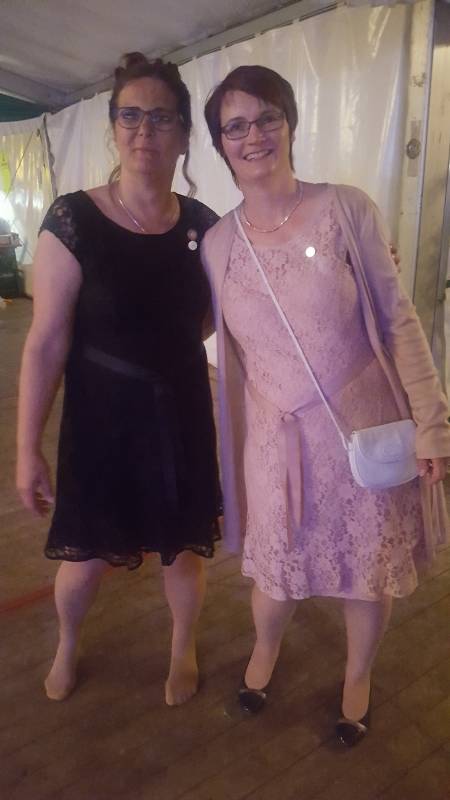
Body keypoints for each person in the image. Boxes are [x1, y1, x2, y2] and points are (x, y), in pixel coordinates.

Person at [202, 65, 450, 745]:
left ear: (290, 122)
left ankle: (358, 675)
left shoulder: (347, 209)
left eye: (267, 117)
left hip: (359, 429)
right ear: (220, 145)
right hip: (274, 441)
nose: (254, 135)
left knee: (365, 575)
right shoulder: (218, 244)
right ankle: (264, 650)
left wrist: (434, 424)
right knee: (277, 572)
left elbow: (398, 320)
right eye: (235, 126)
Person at [16, 53, 221, 706]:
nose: (143, 131)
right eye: (130, 116)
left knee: (183, 552)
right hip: (101, 420)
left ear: (183, 134)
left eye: (161, 118)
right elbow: (46, 341)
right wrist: (26, 447)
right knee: (83, 558)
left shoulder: (204, 227)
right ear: (113, 127)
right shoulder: (74, 220)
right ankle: (67, 644)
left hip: (180, 415)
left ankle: (182, 646)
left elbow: (217, 318)